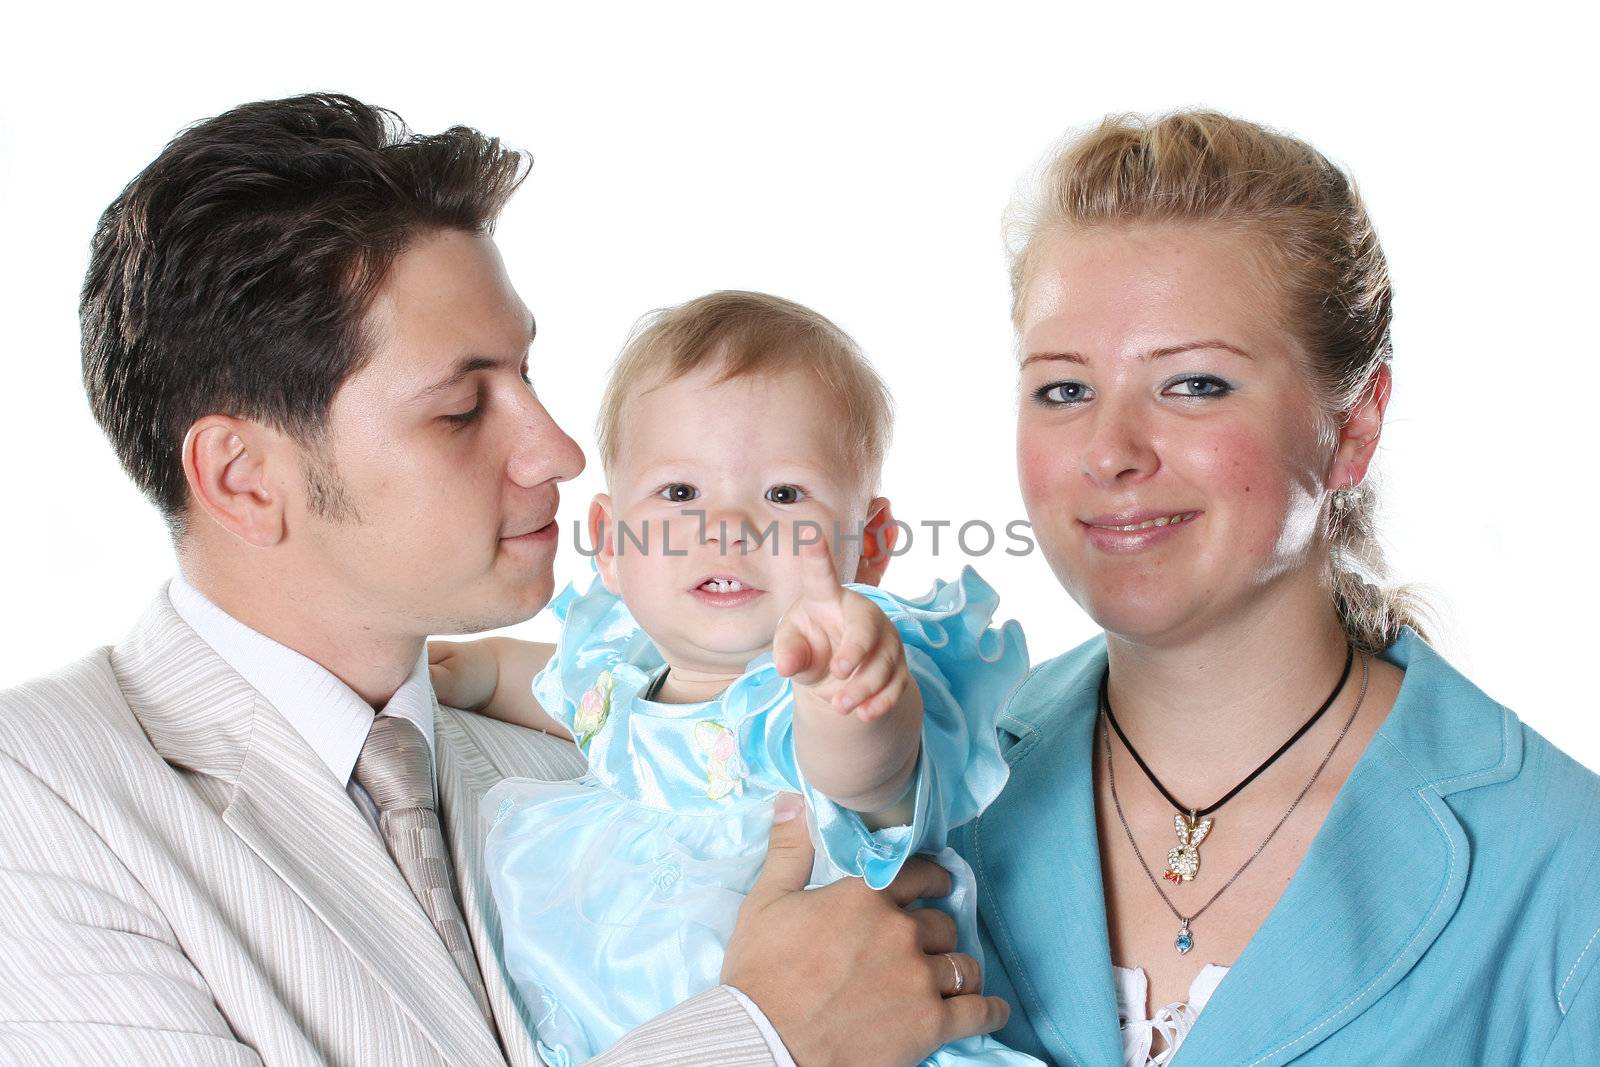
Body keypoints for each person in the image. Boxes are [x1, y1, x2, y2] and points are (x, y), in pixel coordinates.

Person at [0, 93, 1009, 1067]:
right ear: (244, 478)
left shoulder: (591, 751)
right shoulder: (44, 792)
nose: (562, 452)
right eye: (459, 409)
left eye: (527, 377)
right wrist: (764, 1036)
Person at [951, 109, 1600, 1065]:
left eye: (1195, 384)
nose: (1111, 451)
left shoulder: (1561, 870)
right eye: (1063, 389)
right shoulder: (922, 795)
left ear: (1352, 428)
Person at [430, 291, 1037, 1066]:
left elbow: (865, 774)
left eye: (784, 494)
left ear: (872, 542)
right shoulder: (621, 678)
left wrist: (851, 697)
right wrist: (475, 670)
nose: (729, 527)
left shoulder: (810, 701)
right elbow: (556, 690)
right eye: (680, 494)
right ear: (611, 543)